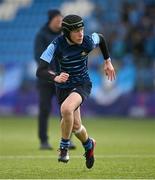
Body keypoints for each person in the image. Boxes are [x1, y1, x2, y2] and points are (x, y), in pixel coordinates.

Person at [36, 14, 115, 168]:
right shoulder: (56, 45)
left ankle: (64, 148)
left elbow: (101, 38)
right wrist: (55, 77)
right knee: (76, 126)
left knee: (66, 109)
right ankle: (89, 145)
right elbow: (41, 71)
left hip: (82, 84)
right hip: (63, 87)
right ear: (67, 32)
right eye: (76, 31)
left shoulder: (87, 41)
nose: (81, 34)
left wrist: (108, 61)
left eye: (82, 29)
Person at [34, 10, 76, 150]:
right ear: (51, 20)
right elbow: (39, 58)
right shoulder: (41, 35)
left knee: (65, 110)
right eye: (57, 19)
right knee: (44, 109)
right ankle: (43, 141)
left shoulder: (64, 35)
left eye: (61, 20)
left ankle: (67, 140)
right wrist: (52, 74)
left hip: (62, 79)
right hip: (46, 79)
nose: (60, 22)